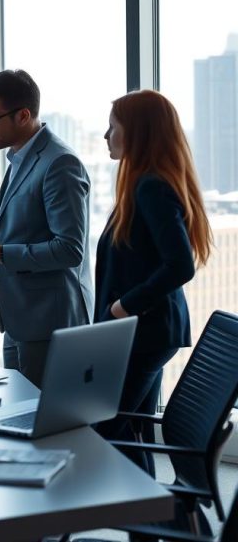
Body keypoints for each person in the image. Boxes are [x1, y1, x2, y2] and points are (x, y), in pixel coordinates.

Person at [0, 69, 92, 387]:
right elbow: (27, 234)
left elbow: (70, 250)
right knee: (18, 412)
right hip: (20, 322)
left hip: (51, 325)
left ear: (23, 115)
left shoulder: (59, 163)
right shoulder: (20, 158)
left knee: (42, 417)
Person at [94, 89, 211, 475]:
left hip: (143, 332)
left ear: (137, 132)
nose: (106, 136)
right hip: (147, 332)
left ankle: (160, 506)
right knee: (130, 432)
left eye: (113, 127)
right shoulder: (144, 183)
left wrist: (123, 306)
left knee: (101, 431)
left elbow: (179, 266)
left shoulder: (151, 186)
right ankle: (154, 509)